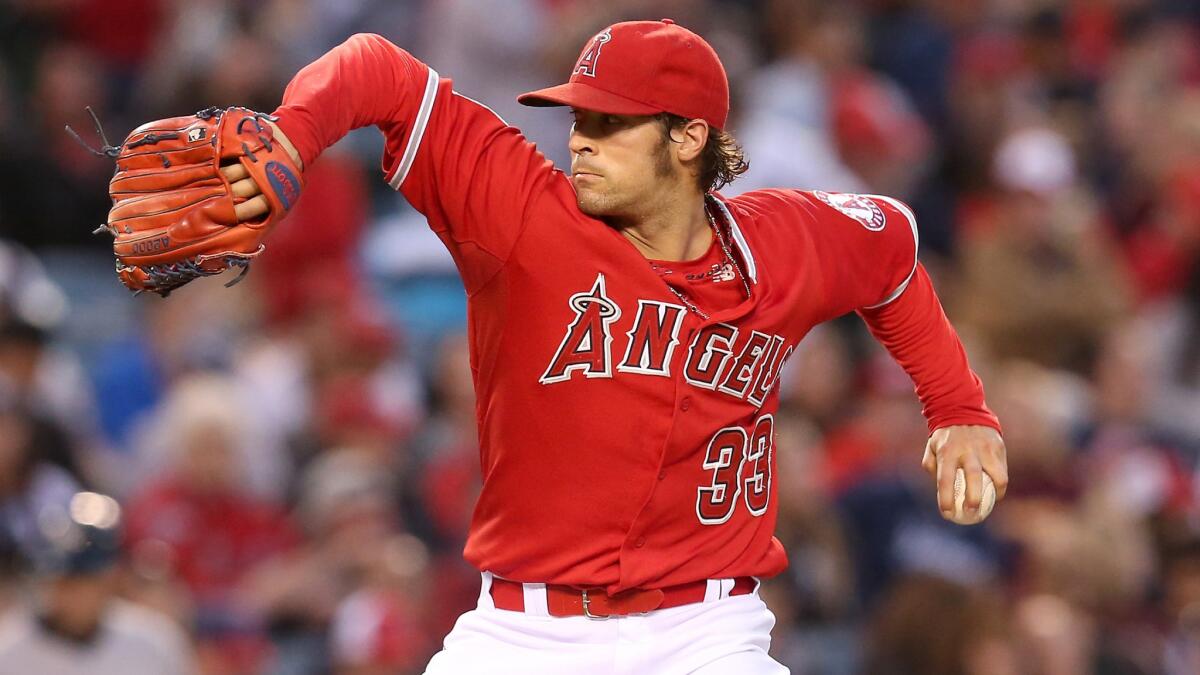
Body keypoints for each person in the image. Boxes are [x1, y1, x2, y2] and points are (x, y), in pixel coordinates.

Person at [218, 19, 1008, 674]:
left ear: (690, 137)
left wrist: (957, 404)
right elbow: (376, 69)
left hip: (707, 633)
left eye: (611, 122)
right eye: (578, 119)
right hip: (526, 631)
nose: (581, 141)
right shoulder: (521, 212)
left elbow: (893, 251)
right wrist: (292, 134)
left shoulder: (786, 243)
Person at [0, 491, 193, 675]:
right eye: (59, 580)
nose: (68, 592)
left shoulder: (155, 645)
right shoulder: (7, 651)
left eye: (80, 580)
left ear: (109, 578)